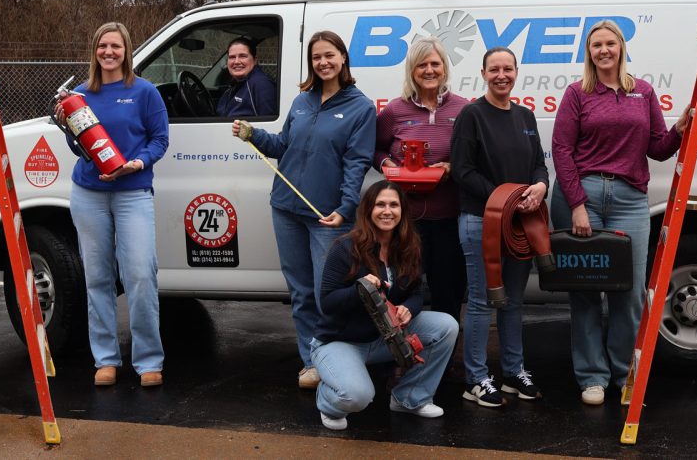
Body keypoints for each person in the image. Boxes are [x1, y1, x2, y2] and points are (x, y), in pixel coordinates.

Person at [549, 19, 691, 406]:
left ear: (621, 48)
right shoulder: (578, 94)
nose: (603, 50)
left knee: (629, 292)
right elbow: (561, 150)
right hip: (583, 198)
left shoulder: (642, 92)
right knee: (586, 291)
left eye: (610, 43)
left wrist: (678, 128)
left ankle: (625, 374)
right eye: (596, 45)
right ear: (589, 52)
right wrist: (577, 205)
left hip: (629, 200)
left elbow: (659, 148)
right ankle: (591, 377)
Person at [232, 30, 375, 390]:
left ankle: (334, 361)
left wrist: (345, 208)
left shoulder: (360, 107)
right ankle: (311, 362)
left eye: (330, 55)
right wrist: (253, 134)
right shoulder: (301, 102)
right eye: (316, 58)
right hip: (285, 208)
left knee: (327, 294)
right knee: (300, 293)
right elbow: (283, 145)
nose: (323, 62)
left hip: (328, 217)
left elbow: (357, 163)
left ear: (343, 58)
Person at [59, 22, 169, 388]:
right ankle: (105, 359)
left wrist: (137, 164)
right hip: (88, 194)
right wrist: (67, 129)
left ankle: (149, 360)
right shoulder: (79, 96)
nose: (109, 52)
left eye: (116, 47)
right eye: (102, 46)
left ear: (127, 51)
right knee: (98, 278)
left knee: (139, 275)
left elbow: (160, 140)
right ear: (94, 51)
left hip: (133, 192)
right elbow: (80, 148)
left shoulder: (144, 92)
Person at [312, 180, 459, 430]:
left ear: (402, 211)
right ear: (368, 210)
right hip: (341, 341)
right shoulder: (345, 247)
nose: (387, 211)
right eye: (380, 204)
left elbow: (415, 292)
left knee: (446, 325)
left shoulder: (408, 246)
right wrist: (361, 289)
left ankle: (409, 399)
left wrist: (409, 309)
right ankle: (329, 397)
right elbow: (327, 303)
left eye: (394, 205)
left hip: (383, 337)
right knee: (357, 396)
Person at [450, 46, 548, 407]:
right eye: (495, 69)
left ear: (516, 72)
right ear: (483, 73)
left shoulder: (525, 117)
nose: (502, 75)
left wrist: (540, 187)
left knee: (514, 301)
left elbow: (539, 165)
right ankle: (475, 378)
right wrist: (504, 199)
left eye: (508, 69)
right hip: (481, 222)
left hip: (520, 224)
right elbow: (462, 171)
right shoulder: (471, 115)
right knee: (482, 300)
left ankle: (512, 371)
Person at [375, 36, 468, 320]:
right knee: (401, 292)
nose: (429, 71)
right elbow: (375, 148)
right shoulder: (395, 110)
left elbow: (472, 154)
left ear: (445, 68)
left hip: (449, 219)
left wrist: (451, 167)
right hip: (406, 221)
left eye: (435, 64)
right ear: (412, 71)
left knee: (448, 292)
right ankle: (401, 356)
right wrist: (388, 164)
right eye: (421, 65)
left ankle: (445, 357)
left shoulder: (463, 109)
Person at [216, 37, 277, 118]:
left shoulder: (261, 85)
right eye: (232, 57)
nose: (236, 62)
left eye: (243, 56)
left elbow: (269, 125)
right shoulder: (236, 83)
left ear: (255, 60)